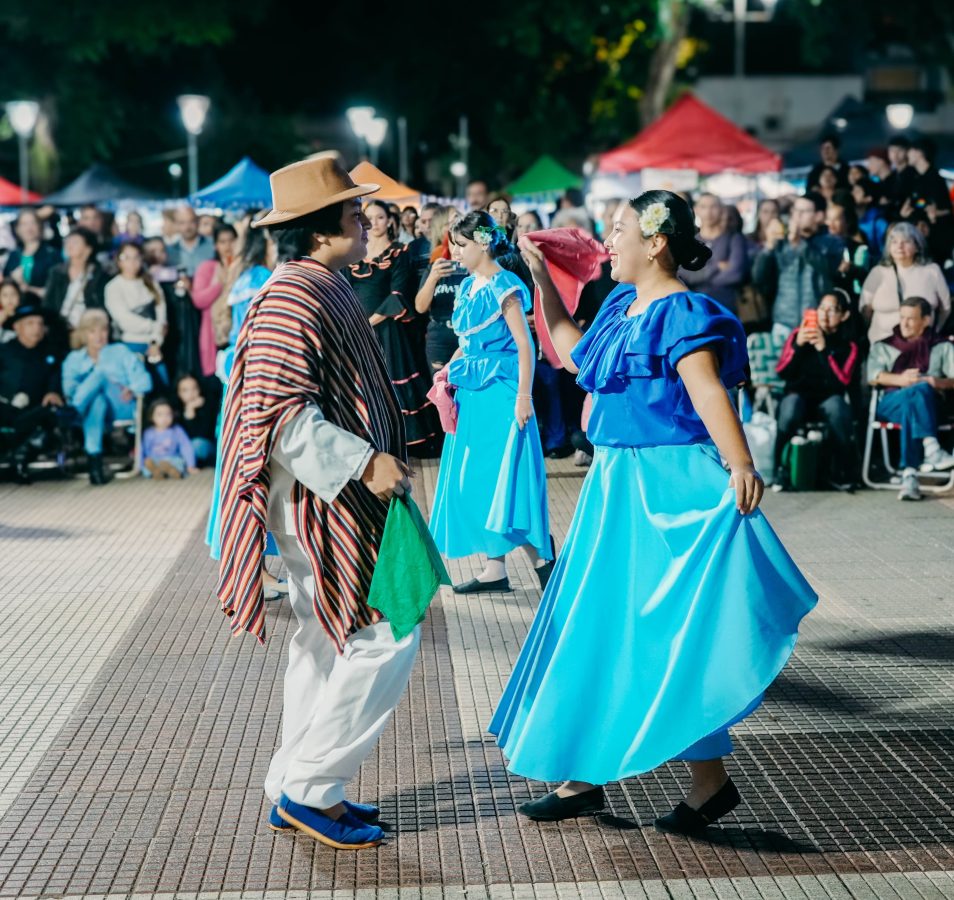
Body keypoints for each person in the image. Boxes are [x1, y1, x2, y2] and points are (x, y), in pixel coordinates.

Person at [492, 190, 816, 833]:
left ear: (656, 242)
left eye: (618, 230)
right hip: (616, 484)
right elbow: (572, 353)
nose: (607, 241)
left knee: (659, 630)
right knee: (609, 625)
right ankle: (640, 780)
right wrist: (541, 281)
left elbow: (706, 388)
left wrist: (741, 464)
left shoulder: (682, 313)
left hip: (667, 487)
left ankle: (654, 780)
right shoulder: (621, 305)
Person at [216, 156, 420, 851]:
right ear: (321, 228)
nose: (365, 222)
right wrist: (365, 461)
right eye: (354, 213)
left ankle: (295, 785)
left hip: (326, 499)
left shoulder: (310, 285)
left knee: (324, 641)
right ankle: (310, 788)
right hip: (323, 502)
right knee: (383, 635)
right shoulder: (294, 295)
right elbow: (281, 416)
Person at [428, 211, 553, 594]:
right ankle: (495, 568)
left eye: (461, 245)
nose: (455, 252)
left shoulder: (506, 285)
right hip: (473, 394)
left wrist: (524, 396)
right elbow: (466, 344)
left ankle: (544, 563)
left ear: (482, 244)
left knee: (506, 479)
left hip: (502, 393)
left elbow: (525, 346)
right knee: (477, 480)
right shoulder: (467, 286)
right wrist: (447, 372)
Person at [345, 199, 439, 453]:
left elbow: (398, 293)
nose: (375, 223)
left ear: (389, 221)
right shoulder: (354, 254)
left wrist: (369, 322)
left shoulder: (399, 252)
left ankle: (408, 441)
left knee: (394, 378)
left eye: (380, 217)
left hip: (389, 329)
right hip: (359, 330)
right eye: (370, 217)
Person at [868, 296, 954, 501]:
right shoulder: (884, 346)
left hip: (932, 404)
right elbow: (873, 376)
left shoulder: (942, 346)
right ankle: (931, 447)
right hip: (892, 402)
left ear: (925, 320)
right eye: (902, 317)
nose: (904, 323)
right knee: (915, 393)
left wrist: (935, 382)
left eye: (911, 318)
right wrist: (901, 380)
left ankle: (909, 475)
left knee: (917, 395)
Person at [773, 290, 861, 489]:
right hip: (798, 396)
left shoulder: (849, 345)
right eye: (822, 308)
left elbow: (842, 381)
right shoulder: (798, 334)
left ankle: (845, 472)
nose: (825, 314)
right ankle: (780, 470)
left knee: (837, 407)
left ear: (844, 315)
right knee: (790, 407)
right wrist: (798, 345)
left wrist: (824, 349)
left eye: (832, 310)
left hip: (828, 398)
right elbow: (782, 372)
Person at [61, 309, 152, 485]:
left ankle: (74, 411)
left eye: (103, 330)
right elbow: (68, 388)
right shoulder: (74, 358)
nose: (99, 336)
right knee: (97, 401)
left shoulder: (120, 351)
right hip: (91, 409)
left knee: (101, 374)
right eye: (92, 331)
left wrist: (132, 389)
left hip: (120, 404)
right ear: (84, 334)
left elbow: (144, 381)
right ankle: (95, 466)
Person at [753, 193, 844, 333]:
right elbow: (758, 277)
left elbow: (831, 270)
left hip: (817, 321)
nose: (797, 215)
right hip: (783, 321)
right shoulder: (782, 242)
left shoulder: (832, 242)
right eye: (795, 210)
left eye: (804, 211)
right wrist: (769, 247)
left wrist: (799, 244)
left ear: (819, 216)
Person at [0, 305, 65, 483]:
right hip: (5, 408)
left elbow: (56, 378)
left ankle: (20, 458)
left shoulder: (51, 352)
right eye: (30, 323)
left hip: (34, 411)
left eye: (40, 324)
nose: (36, 328)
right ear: (17, 327)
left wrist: (53, 392)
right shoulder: (4, 351)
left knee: (53, 413)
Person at [859, 222, 950, 344]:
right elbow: (865, 310)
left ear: (917, 246)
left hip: (923, 344)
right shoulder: (878, 272)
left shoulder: (932, 271)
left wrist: (935, 331)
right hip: (884, 345)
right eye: (894, 242)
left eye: (906, 242)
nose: (899, 246)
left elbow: (946, 308)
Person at [680, 192, 748, 314]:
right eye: (703, 207)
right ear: (696, 210)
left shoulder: (734, 238)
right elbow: (684, 274)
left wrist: (699, 275)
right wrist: (716, 267)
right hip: (695, 307)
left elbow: (736, 274)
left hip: (724, 307)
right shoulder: (690, 240)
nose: (709, 212)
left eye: (713, 206)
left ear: (721, 209)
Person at [43, 227, 109, 348]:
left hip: (89, 331)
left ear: (88, 249)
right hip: (61, 330)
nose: (70, 245)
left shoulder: (99, 275)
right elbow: (48, 303)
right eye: (68, 241)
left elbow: (102, 305)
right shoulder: (56, 272)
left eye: (75, 242)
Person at [191, 222, 238, 378]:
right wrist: (219, 284)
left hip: (238, 334)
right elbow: (199, 300)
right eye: (222, 242)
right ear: (215, 245)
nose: (228, 246)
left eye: (231, 240)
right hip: (215, 338)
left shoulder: (244, 268)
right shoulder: (208, 267)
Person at [104, 242, 167, 357]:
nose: (132, 262)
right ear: (119, 261)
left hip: (155, 345)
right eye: (127, 258)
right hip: (129, 344)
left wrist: (156, 341)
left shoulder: (151, 283)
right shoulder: (113, 287)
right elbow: (124, 320)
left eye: (136, 257)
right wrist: (155, 326)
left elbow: (161, 315)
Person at [904, 136, 954, 265]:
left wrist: (933, 214)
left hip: (936, 239)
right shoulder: (917, 179)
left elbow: (946, 209)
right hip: (922, 237)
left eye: (910, 150)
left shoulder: (934, 179)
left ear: (919, 153)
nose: (907, 154)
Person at [415, 253, 465, 373]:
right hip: (440, 338)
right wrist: (432, 278)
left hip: (469, 335)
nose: (456, 249)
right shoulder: (437, 267)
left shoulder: (477, 268)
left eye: (461, 244)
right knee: (441, 382)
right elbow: (420, 307)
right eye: (453, 244)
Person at [2, 209, 61, 299]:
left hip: (41, 305)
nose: (29, 228)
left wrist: (26, 287)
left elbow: (57, 289)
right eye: (24, 224)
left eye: (33, 223)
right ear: (17, 229)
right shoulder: (14, 255)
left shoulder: (52, 254)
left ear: (40, 226)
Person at [140, 398, 197, 479]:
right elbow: (143, 449)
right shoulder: (148, 433)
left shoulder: (177, 430)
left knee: (179, 462)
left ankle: (170, 471)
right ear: (151, 417)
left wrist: (191, 465)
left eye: (168, 414)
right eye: (160, 415)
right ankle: (157, 472)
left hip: (172, 458)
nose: (164, 418)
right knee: (147, 464)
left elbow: (186, 446)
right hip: (154, 460)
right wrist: (140, 465)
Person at [175, 373, 216, 466]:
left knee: (197, 444)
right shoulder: (175, 409)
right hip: (184, 449)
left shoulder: (209, 405)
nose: (191, 393)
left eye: (194, 388)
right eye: (185, 390)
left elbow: (202, 435)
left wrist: (190, 411)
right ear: (178, 393)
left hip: (205, 447)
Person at [166, 205, 215, 276]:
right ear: (176, 225)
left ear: (197, 222)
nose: (187, 227)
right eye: (182, 223)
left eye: (191, 221)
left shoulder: (213, 245)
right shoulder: (169, 251)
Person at [851, 177, 889, 257]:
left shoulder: (879, 222)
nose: (852, 194)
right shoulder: (848, 218)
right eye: (853, 190)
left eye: (857, 192)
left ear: (868, 198)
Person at [406, 201, 442, 282]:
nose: (428, 225)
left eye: (432, 220)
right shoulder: (414, 247)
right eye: (423, 221)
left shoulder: (451, 244)